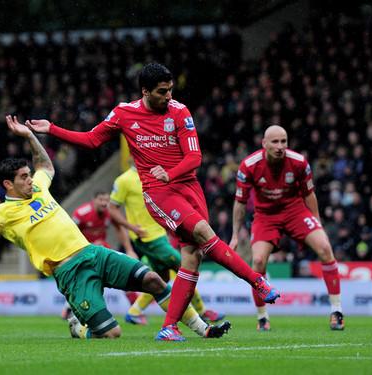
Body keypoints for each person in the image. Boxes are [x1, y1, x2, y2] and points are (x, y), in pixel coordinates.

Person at [25, 62, 280, 341]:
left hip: (188, 187)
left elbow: (194, 158)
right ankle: (257, 282)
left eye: (170, 90)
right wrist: (51, 129)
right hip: (159, 192)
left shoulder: (180, 111)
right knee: (204, 234)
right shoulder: (124, 113)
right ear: (145, 91)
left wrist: (170, 172)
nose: (169, 96)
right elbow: (91, 140)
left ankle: (168, 327)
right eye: (162, 91)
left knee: (192, 258)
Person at [0, 115, 230, 340]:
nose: (30, 180)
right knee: (111, 333)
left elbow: (44, 165)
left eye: (29, 175)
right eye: (23, 177)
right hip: (69, 272)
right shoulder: (3, 213)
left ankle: (203, 329)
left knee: (153, 279)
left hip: (93, 253)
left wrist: (29, 135)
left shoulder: (39, 188)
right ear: (8, 185)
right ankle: (79, 327)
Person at [229, 125, 345, 331]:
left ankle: (337, 311)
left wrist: (317, 222)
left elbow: (309, 195)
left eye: (284, 141)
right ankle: (262, 317)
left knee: (325, 249)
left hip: (295, 211)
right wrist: (235, 235)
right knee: (257, 261)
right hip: (265, 216)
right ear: (264, 144)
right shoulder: (249, 166)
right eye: (275, 142)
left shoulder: (299, 163)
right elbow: (240, 203)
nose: (280, 146)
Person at [109, 162, 225, 325]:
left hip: (160, 234)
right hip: (148, 238)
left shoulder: (153, 174)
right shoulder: (124, 180)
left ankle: (134, 312)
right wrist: (131, 227)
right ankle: (203, 312)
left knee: (161, 277)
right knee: (185, 267)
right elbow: (112, 208)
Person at [59, 191, 145, 320]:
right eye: (101, 200)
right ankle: (69, 307)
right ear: (93, 200)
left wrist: (129, 249)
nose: (104, 203)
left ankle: (135, 310)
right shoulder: (81, 213)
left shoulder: (109, 212)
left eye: (107, 200)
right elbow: (68, 232)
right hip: (82, 251)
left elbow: (120, 228)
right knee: (85, 280)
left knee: (123, 270)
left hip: (101, 250)